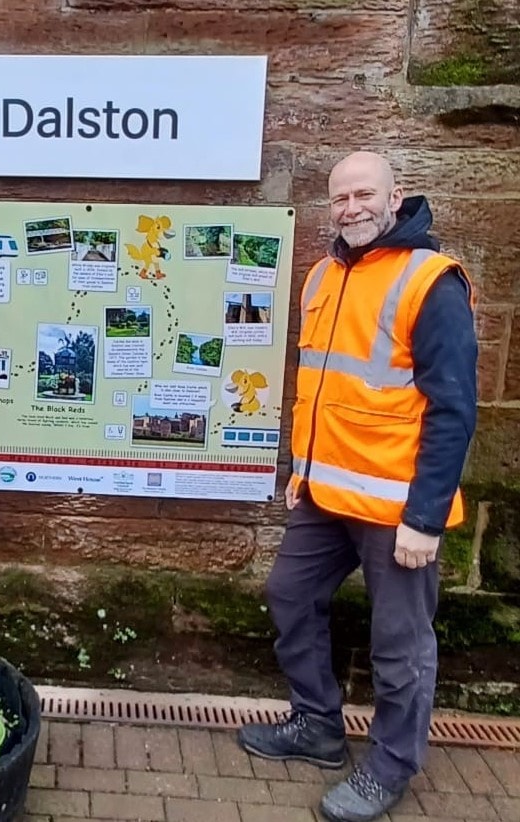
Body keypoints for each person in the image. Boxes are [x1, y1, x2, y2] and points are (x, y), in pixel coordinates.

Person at [237, 152, 478, 822]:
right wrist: (301, 472)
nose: (351, 208)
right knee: (289, 595)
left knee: (399, 644)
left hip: (397, 506)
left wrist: (425, 518)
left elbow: (454, 408)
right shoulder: (323, 275)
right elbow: (318, 386)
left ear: (395, 196)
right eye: (340, 197)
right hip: (324, 495)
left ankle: (391, 767)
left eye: (364, 194)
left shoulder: (431, 281)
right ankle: (317, 726)